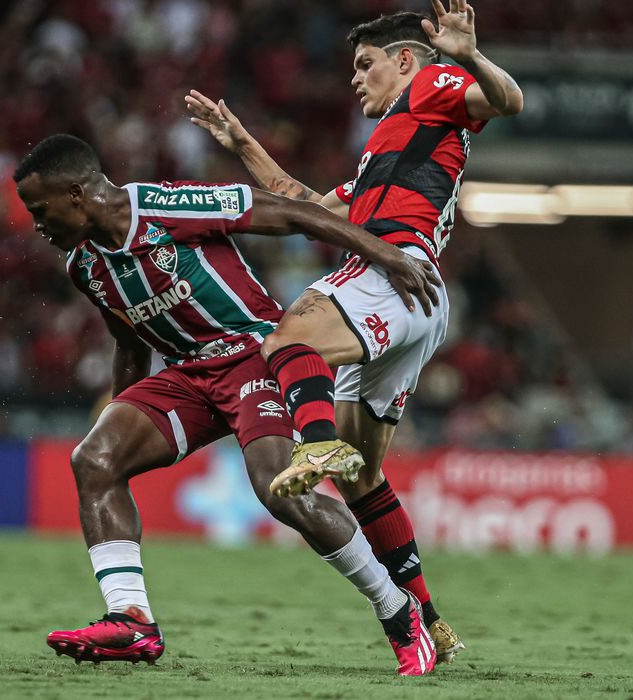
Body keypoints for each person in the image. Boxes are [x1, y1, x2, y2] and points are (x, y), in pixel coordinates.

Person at [14, 133, 443, 675]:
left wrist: (383, 253)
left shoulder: (163, 206)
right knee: (94, 458)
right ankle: (131, 620)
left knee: (279, 491)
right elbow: (127, 342)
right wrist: (123, 420)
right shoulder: (83, 266)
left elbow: (289, 214)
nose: (37, 224)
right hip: (187, 376)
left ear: (76, 194)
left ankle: (396, 609)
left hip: (253, 355)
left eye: (40, 209)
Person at [185, 0, 523, 662]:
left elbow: (507, 100)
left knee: (286, 341)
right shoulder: (384, 151)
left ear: (404, 60)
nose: (354, 78)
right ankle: (430, 619)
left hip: (392, 274)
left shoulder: (431, 85)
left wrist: (464, 53)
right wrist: (242, 143)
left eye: (365, 64)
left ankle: (313, 446)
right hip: (414, 299)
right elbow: (309, 205)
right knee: (365, 475)